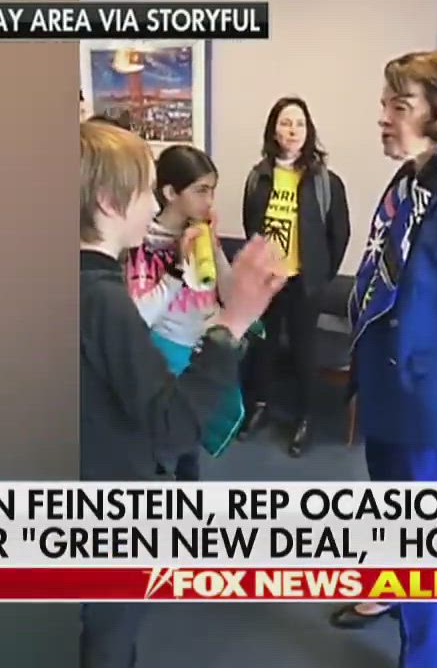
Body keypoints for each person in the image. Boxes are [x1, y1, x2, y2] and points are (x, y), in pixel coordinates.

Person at [78, 121, 287, 667]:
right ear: (108, 202)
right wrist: (233, 324)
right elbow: (171, 427)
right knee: (108, 640)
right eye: (144, 191)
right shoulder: (102, 298)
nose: (153, 205)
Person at [329, 51, 437, 667]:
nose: (383, 116)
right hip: (383, 381)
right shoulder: (411, 178)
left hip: (424, 396)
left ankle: (425, 657)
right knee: (389, 509)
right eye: (385, 103)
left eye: (400, 105)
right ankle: (388, 590)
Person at [123, 144, 244, 481]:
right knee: (162, 448)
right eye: (201, 191)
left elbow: (230, 296)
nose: (210, 201)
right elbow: (139, 316)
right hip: (164, 357)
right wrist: (177, 269)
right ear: (170, 193)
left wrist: (214, 249)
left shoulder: (200, 233)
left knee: (191, 450)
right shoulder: (141, 241)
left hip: (198, 351)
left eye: (212, 191)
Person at [238, 96, 351, 457]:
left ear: (308, 131)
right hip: (266, 281)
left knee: (304, 351)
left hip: (305, 282)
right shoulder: (259, 176)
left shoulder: (325, 181)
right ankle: (259, 407)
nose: (293, 130)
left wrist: (320, 274)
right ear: (274, 130)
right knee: (263, 347)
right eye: (286, 122)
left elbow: (339, 234)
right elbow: (251, 224)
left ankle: (305, 418)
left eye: (300, 123)